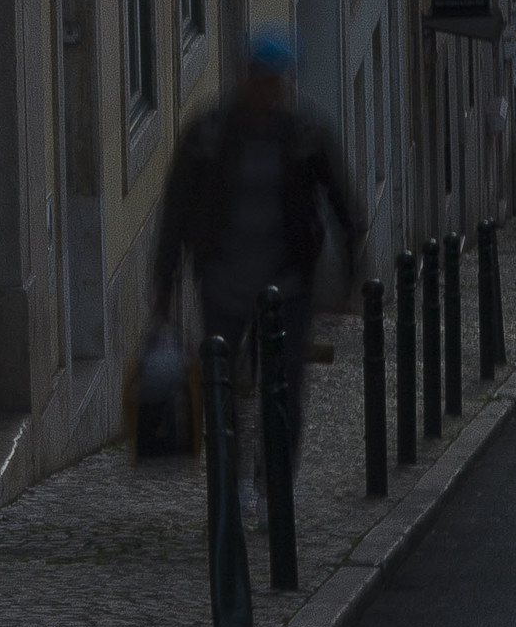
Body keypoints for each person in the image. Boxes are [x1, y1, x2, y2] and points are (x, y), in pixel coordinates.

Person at [151, 30, 362, 480]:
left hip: (288, 286)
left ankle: (275, 483)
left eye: (278, 80)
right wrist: (163, 283)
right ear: (246, 77)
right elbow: (177, 210)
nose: (271, 89)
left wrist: (350, 272)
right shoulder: (208, 134)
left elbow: (343, 203)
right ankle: (231, 482)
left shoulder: (306, 135)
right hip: (223, 282)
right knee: (221, 387)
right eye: (263, 78)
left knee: (283, 387)